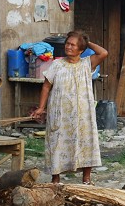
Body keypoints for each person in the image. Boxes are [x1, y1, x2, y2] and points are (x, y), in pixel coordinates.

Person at [32, 30, 108, 185]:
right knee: (57, 142)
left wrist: (87, 42)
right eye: (67, 43)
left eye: (73, 45)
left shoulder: (87, 63)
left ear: (81, 49)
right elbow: (46, 87)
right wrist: (41, 108)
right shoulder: (57, 64)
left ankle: (86, 178)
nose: (68, 47)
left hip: (83, 113)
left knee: (86, 141)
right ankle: (56, 179)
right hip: (60, 113)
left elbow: (103, 53)